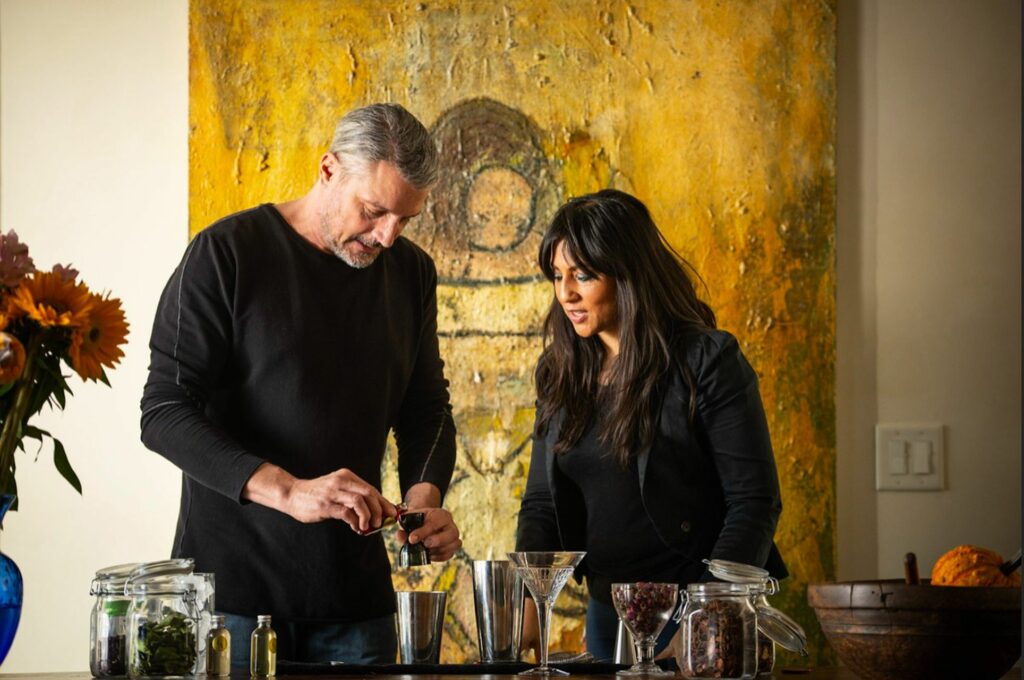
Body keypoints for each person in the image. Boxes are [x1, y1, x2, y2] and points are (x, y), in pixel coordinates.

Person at [140, 103, 462, 666]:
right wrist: (290, 491)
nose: (388, 235)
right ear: (328, 169)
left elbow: (425, 409)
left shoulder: (412, 273)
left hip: (359, 606)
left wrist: (423, 499)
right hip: (233, 603)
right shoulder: (226, 254)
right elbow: (164, 411)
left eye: (405, 219)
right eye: (374, 210)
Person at [515, 189, 786, 662]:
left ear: (628, 274)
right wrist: (526, 614)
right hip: (607, 611)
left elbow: (755, 502)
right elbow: (542, 504)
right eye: (557, 276)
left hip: (697, 606)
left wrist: (707, 619)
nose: (566, 294)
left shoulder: (707, 361)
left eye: (583, 275)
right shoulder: (559, 371)